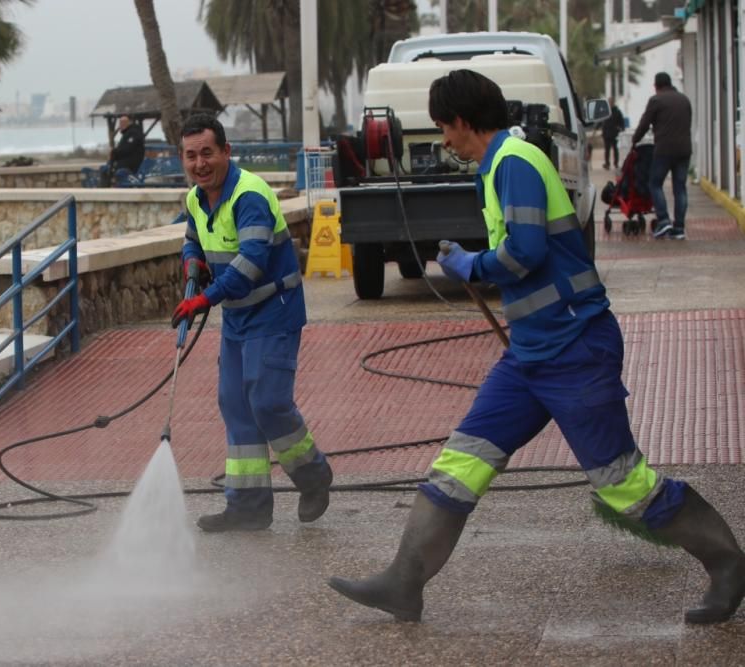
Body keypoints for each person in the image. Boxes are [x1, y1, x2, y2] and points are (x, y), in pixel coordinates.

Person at [327, 70, 745, 625]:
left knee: (623, 483)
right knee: (462, 462)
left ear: (462, 120)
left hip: (574, 348)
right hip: (530, 354)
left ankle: (729, 564)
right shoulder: (499, 166)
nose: (443, 141)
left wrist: (466, 264)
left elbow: (522, 254)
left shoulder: (517, 164)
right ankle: (405, 582)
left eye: (444, 128)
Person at [171, 114, 333, 532]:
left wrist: (204, 298)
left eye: (208, 152)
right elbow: (193, 236)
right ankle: (248, 505)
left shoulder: (250, 196)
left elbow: (252, 262)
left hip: (274, 310)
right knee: (236, 404)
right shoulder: (195, 197)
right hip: (238, 318)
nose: (200, 163)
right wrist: (192, 260)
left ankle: (313, 476)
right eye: (191, 156)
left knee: (268, 402)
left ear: (227, 151)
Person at [631, 72, 693, 240]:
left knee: (655, 183)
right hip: (684, 150)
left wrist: (634, 140)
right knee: (680, 188)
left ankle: (664, 220)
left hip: (664, 150)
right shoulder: (684, 99)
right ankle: (679, 228)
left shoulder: (656, 100)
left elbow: (644, 124)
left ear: (656, 86)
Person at [100, 114, 145, 186]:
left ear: (129, 122)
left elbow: (127, 149)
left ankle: (103, 190)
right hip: (125, 163)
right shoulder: (128, 133)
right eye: (120, 123)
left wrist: (114, 152)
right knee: (105, 169)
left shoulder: (133, 133)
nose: (120, 125)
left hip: (131, 164)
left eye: (123, 122)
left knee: (107, 172)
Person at [601, 97, 625, 170]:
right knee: (607, 149)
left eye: (611, 102)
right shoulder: (605, 111)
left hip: (614, 134)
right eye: (609, 102)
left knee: (615, 149)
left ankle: (616, 163)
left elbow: (622, 122)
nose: (610, 103)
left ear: (613, 102)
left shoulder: (617, 111)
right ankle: (607, 164)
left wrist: (620, 128)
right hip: (606, 133)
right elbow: (602, 122)